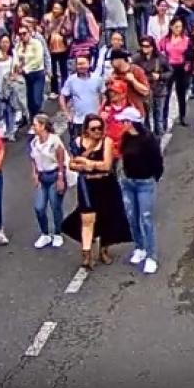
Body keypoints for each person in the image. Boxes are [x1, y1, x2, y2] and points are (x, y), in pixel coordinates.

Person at [63, 112, 132, 269]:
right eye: (93, 129)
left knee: (107, 217)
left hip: (106, 183)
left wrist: (88, 163)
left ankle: (104, 249)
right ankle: (86, 254)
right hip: (87, 185)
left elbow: (106, 165)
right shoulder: (78, 142)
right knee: (87, 219)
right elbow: (72, 164)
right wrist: (86, 165)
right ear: (86, 130)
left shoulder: (106, 141)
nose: (97, 132)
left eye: (100, 128)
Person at [117, 106, 162, 274]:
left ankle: (151, 256)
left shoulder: (148, 140)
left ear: (131, 122)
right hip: (128, 182)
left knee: (146, 218)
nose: (122, 124)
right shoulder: (126, 137)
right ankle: (140, 247)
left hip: (145, 183)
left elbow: (157, 162)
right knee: (132, 217)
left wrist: (152, 177)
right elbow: (123, 155)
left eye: (124, 121)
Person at [29, 113, 66, 249]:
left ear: (43, 126)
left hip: (54, 174)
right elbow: (33, 158)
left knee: (55, 206)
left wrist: (61, 177)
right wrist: (35, 173)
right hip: (42, 177)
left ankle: (57, 233)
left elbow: (61, 158)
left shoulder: (54, 140)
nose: (33, 127)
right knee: (39, 207)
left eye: (35, 125)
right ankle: (45, 234)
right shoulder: (34, 142)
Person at [131, 37, 172, 136]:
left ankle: (159, 139)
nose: (145, 48)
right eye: (143, 46)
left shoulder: (160, 58)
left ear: (152, 47)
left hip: (158, 90)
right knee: (145, 118)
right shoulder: (136, 58)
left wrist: (160, 76)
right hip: (143, 91)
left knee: (158, 118)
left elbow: (170, 71)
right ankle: (148, 139)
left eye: (147, 46)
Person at [59, 54, 104, 144]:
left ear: (89, 64)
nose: (81, 66)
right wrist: (67, 114)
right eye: (79, 64)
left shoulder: (97, 79)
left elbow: (104, 95)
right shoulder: (71, 80)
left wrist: (101, 111)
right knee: (78, 147)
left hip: (96, 121)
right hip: (78, 122)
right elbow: (62, 96)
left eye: (83, 63)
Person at [159, 19, 191, 127]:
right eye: (176, 27)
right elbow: (159, 51)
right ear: (171, 27)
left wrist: (187, 64)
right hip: (169, 67)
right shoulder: (165, 40)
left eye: (180, 27)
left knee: (181, 93)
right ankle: (163, 118)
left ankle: (182, 116)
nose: (178, 29)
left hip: (181, 68)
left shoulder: (186, 40)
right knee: (166, 93)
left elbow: (190, 54)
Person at [15, 22, 46, 125]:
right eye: (20, 34)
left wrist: (25, 68)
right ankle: (33, 120)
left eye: (24, 33)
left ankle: (39, 120)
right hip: (24, 76)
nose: (22, 36)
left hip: (36, 74)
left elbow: (38, 59)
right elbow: (16, 59)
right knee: (29, 100)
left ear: (29, 33)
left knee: (37, 100)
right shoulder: (18, 45)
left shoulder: (36, 43)